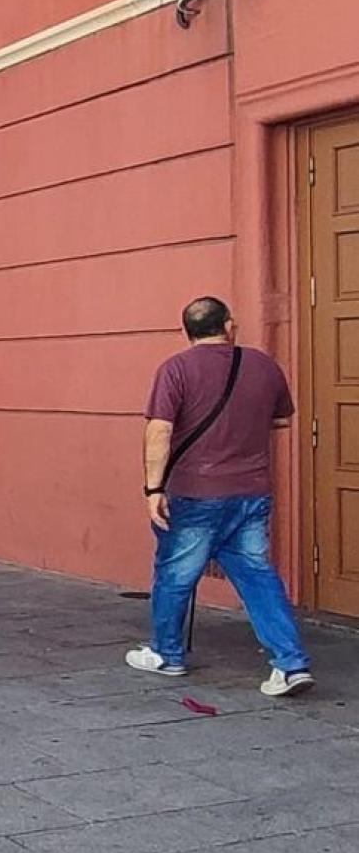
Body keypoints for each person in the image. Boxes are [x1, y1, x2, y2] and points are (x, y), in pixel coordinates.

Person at [132, 297, 313, 697]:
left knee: (176, 575)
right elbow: (281, 418)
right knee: (257, 575)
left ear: (187, 330)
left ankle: (167, 653)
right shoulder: (263, 365)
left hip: (195, 492)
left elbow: (159, 430)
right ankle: (290, 662)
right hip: (250, 492)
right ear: (229, 325)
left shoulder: (175, 369)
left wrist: (153, 488)